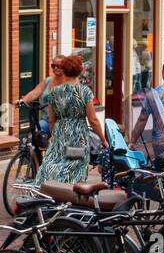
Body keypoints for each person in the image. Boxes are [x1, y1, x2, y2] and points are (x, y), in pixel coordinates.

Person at [34, 53, 108, 185]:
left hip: (59, 134)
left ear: (64, 70)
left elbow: (51, 119)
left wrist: (54, 135)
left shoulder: (54, 92)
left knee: (54, 166)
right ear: (79, 71)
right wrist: (103, 140)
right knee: (75, 171)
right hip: (77, 137)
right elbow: (93, 120)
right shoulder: (84, 92)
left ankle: (48, 193)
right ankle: (71, 199)